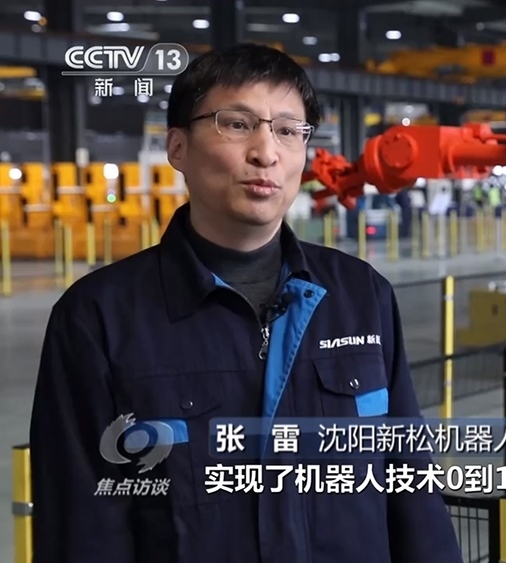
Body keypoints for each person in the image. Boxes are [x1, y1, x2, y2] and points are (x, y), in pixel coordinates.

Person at [30, 43, 463, 563]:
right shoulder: (99, 319)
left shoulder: (361, 296)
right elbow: (83, 527)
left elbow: (410, 486)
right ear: (177, 147)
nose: (266, 152)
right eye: (237, 124)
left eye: (288, 130)